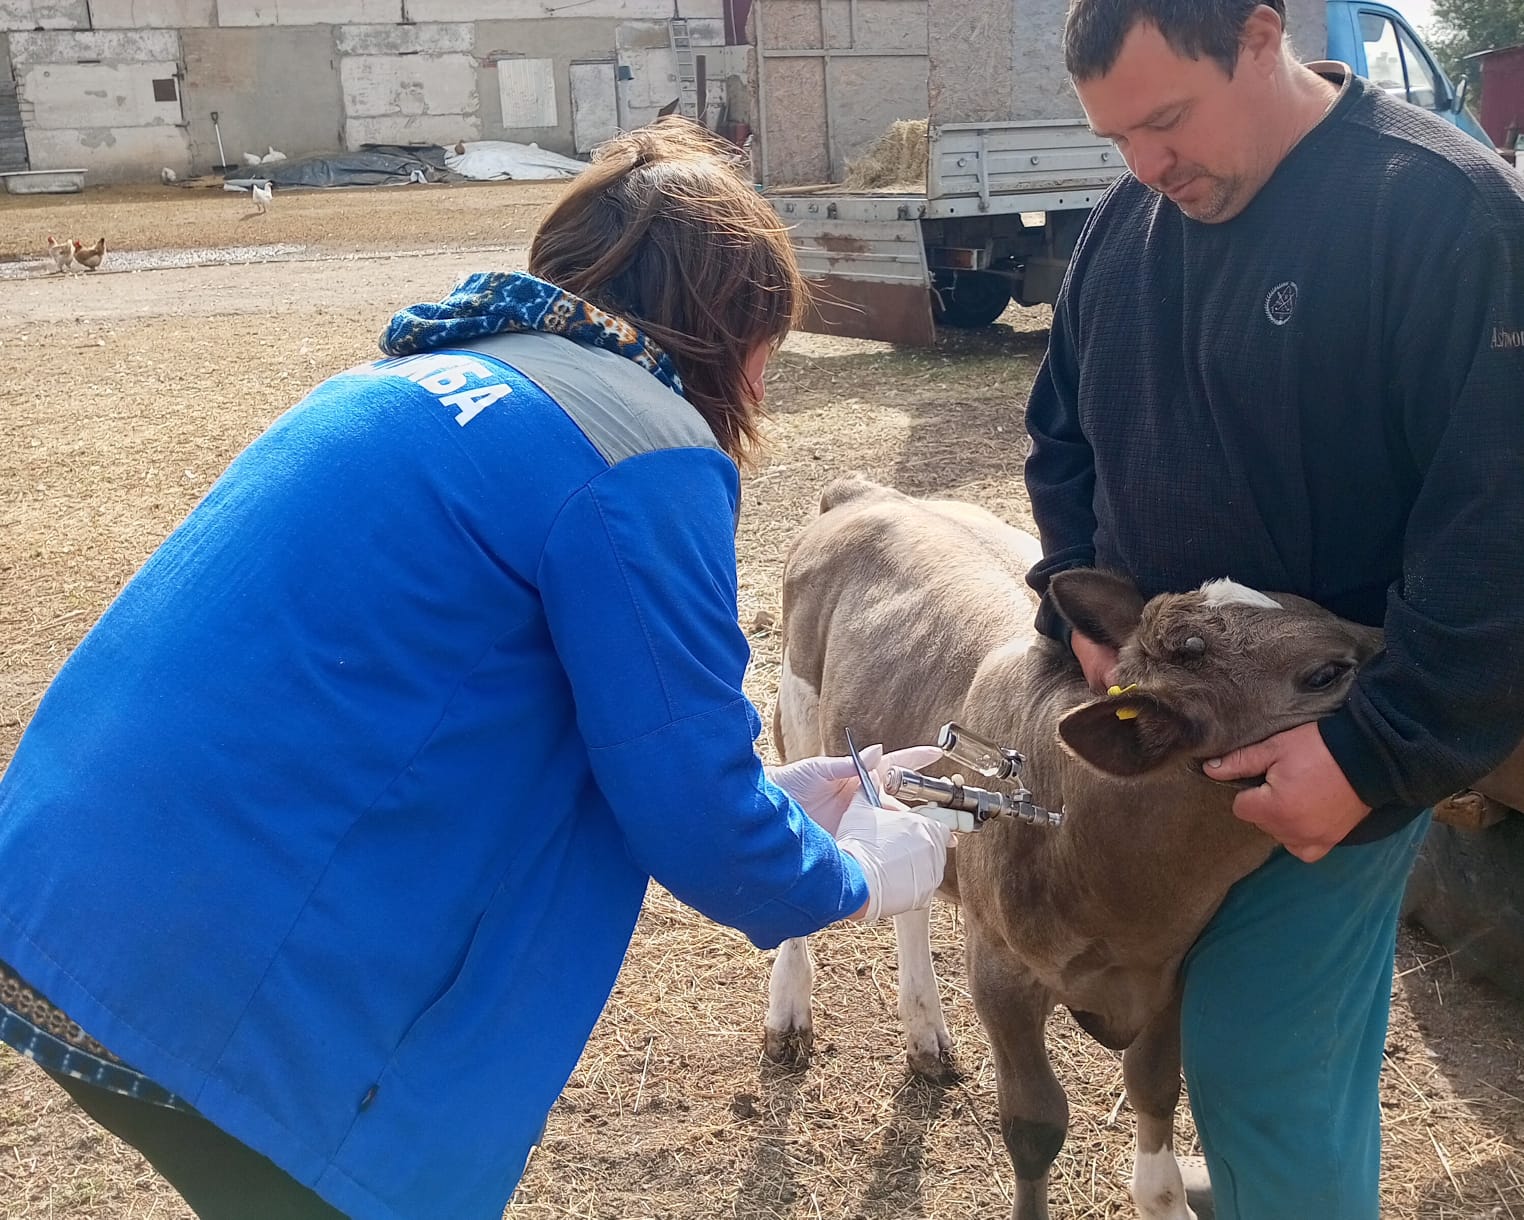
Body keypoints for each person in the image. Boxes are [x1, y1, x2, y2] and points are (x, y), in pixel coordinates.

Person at [0, 117, 951, 1220]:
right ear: (729, 331)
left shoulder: (421, 376)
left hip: (64, 892)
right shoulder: (638, 444)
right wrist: (860, 875)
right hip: (215, 965)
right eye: (769, 348)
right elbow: (699, 815)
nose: (764, 388)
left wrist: (777, 803)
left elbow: (517, 711)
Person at [1024, 1, 1524, 1215]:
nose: (1146, 165)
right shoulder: (1125, 226)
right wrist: (1082, 613)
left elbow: (1496, 521)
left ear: (1262, 33)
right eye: (1117, 139)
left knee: (1261, 1065)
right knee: (1172, 1007)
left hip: (1327, 744)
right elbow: (1061, 440)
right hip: (1160, 738)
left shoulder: (1442, 212)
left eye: (1167, 119)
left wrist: (1371, 753)